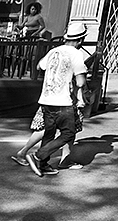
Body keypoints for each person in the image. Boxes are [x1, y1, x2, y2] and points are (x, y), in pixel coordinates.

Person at [26, 23, 88, 177]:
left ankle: (44, 165)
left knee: (49, 133)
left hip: (46, 99)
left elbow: (41, 66)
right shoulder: (76, 54)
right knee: (68, 134)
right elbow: (80, 82)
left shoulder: (54, 51)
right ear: (80, 40)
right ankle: (38, 156)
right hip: (63, 101)